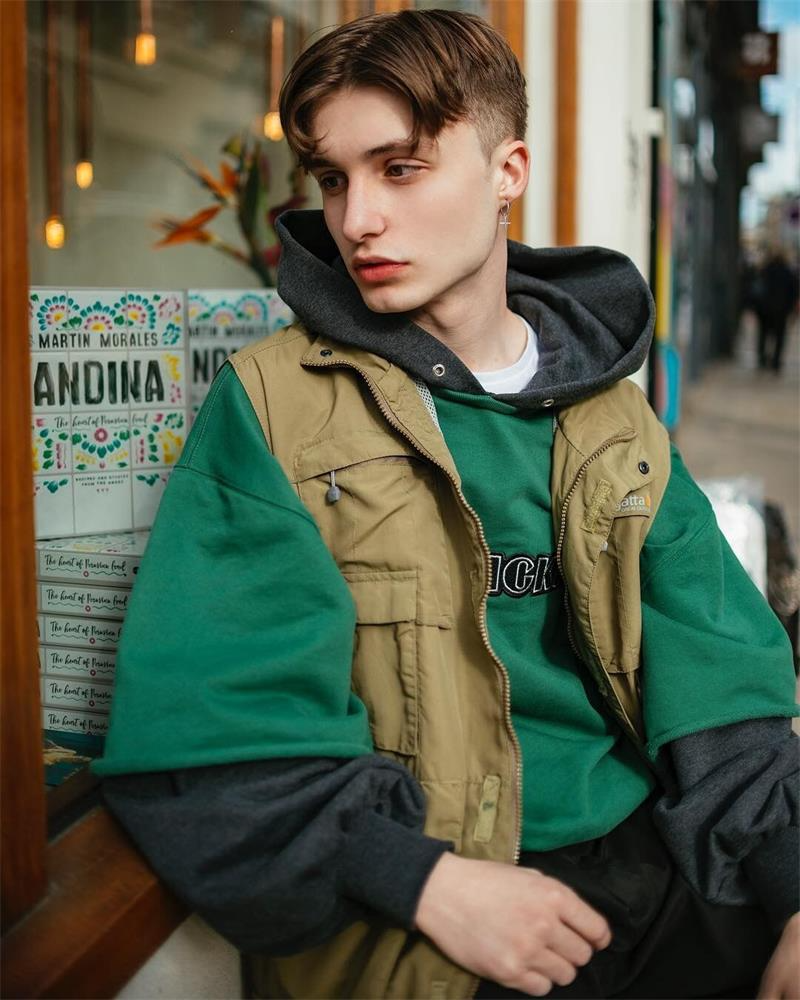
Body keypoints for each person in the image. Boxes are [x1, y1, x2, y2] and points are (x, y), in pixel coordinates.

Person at [94, 10, 800, 999]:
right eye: (333, 179)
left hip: (655, 875)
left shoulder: (610, 413)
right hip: (441, 909)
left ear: (508, 172)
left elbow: (722, 688)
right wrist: (425, 882)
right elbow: (215, 735)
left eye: (400, 168)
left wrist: (791, 891)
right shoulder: (274, 408)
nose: (356, 220)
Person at [754, 250, 799, 374]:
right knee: (780, 336)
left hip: (764, 309)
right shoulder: (789, 273)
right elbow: (794, 293)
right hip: (781, 310)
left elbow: (757, 289)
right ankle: (776, 362)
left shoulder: (764, 271)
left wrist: (756, 307)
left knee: (763, 334)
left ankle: (762, 359)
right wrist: (790, 309)